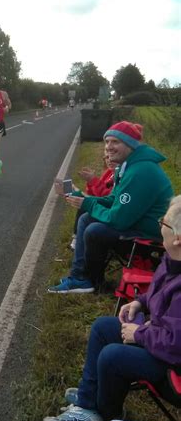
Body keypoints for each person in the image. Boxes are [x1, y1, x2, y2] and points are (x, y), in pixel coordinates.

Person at [43, 195, 181, 421]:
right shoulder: (172, 261)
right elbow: (159, 296)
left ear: (178, 238)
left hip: (174, 370)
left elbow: (175, 345)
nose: (159, 224)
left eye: (164, 222)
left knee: (113, 356)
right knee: (103, 327)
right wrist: (140, 302)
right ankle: (88, 400)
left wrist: (140, 334)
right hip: (161, 342)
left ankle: (105, 417)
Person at [49, 121, 173, 293]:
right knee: (86, 217)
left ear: (130, 145)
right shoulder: (130, 166)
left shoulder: (141, 171)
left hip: (151, 236)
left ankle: (95, 282)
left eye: (115, 142)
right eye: (107, 142)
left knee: (96, 230)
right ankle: (80, 277)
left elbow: (119, 221)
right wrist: (84, 200)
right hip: (137, 223)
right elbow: (113, 199)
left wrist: (89, 203)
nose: (108, 147)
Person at [68, 152, 117, 250]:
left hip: (110, 210)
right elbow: (94, 194)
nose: (109, 160)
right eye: (106, 157)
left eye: (112, 156)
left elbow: (107, 196)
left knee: (84, 205)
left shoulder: (118, 174)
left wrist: (93, 180)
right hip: (104, 206)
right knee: (81, 200)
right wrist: (90, 182)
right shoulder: (109, 172)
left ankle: (77, 239)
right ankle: (77, 238)